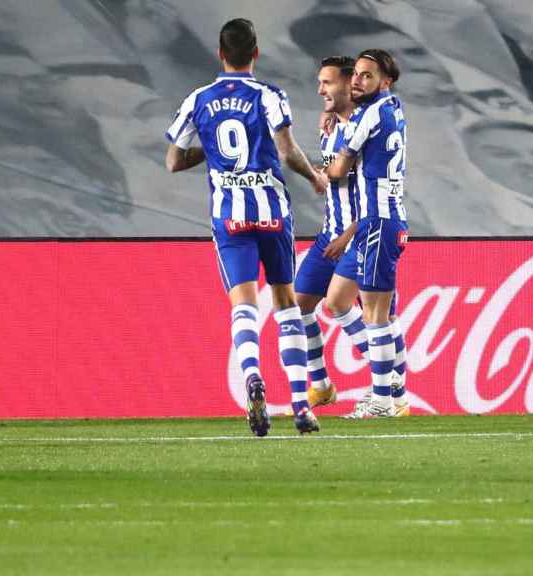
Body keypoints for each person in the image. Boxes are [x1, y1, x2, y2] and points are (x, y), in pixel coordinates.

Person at [165, 19, 329, 436]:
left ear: (220, 54)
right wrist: (313, 177)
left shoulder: (198, 99)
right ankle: (299, 405)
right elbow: (287, 151)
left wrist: (214, 149)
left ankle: (253, 375)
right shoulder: (270, 95)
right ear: (256, 53)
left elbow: (173, 160)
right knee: (285, 302)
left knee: (243, 304)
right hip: (272, 211)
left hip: (229, 216)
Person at [296, 57, 410, 418]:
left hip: (363, 228)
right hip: (336, 229)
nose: (321, 90)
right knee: (306, 303)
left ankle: (389, 392)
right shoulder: (342, 122)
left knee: (374, 312)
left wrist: (350, 232)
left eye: (328, 83)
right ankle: (328, 385)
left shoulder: (365, 120)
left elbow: (345, 173)